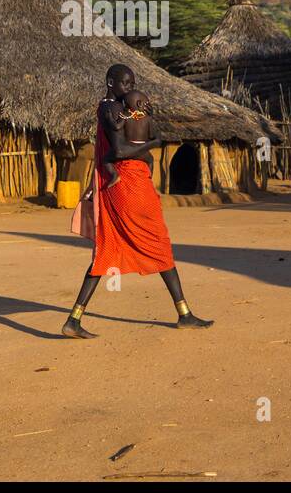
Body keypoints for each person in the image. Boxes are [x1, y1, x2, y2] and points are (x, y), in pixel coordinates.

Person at [62, 64, 213, 339]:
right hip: (128, 185)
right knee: (158, 240)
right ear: (110, 82)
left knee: (108, 251)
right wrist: (149, 147)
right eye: (125, 83)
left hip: (122, 182)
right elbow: (119, 150)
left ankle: (74, 319)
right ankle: (184, 314)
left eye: (132, 84)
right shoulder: (111, 109)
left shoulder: (116, 107)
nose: (130, 89)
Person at [100, 89, 153, 188]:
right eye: (146, 102)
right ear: (140, 104)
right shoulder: (147, 119)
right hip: (143, 150)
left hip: (129, 148)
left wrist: (110, 118)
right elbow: (151, 135)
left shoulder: (126, 116)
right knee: (151, 160)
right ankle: (149, 179)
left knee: (106, 160)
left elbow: (116, 127)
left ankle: (114, 175)